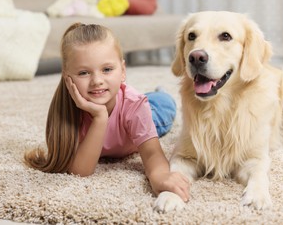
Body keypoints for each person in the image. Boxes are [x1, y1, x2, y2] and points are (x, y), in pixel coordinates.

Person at [24, 23, 189, 202]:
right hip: (122, 105)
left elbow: (152, 154)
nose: (97, 81)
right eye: (84, 72)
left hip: (151, 114)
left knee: (164, 104)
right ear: (67, 78)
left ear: (123, 71)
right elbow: (81, 171)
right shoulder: (66, 109)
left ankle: (160, 93)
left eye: (107, 70)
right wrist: (100, 117)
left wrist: (160, 176)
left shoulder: (135, 106)